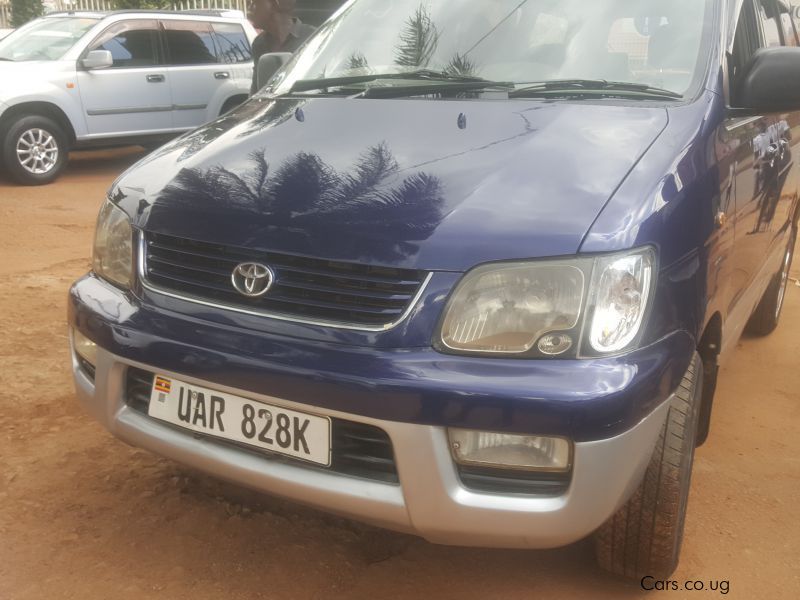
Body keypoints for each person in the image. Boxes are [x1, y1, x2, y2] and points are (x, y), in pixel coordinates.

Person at [248, 0, 316, 94]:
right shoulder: (258, 44)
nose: (251, 8)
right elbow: (256, 90)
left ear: (274, 5)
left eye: (256, 2)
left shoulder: (312, 36)